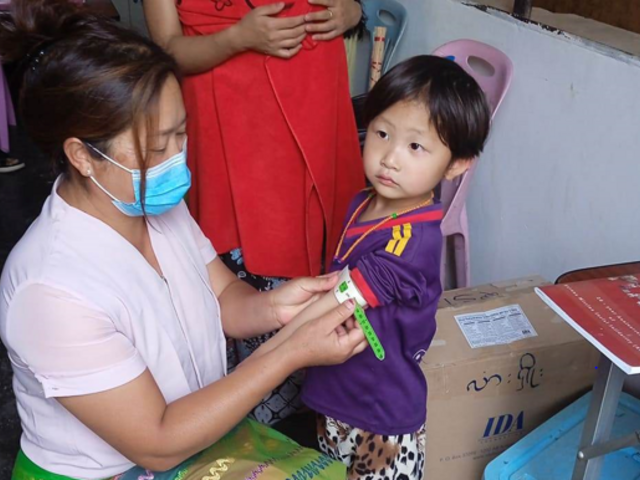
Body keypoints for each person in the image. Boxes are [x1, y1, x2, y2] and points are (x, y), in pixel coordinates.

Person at [0, 2, 367, 479]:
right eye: (158, 146)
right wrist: (290, 350)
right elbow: (157, 443)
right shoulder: (50, 290)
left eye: (182, 134)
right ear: (82, 155)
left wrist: (277, 308)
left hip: (197, 439)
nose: (178, 158)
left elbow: (223, 295)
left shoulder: (154, 205)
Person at [144, 0, 366, 424]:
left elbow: (351, 5)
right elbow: (168, 49)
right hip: (232, 114)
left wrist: (351, 13)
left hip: (316, 105)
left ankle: (326, 419)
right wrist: (238, 38)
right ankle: (260, 427)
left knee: (330, 254)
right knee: (247, 263)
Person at [285, 56, 492, 479]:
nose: (390, 158)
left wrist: (261, 359)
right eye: (382, 133)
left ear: (456, 163)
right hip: (334, 396)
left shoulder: (410, 243)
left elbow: (335, 303)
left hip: (378, 422)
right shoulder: (360, 203)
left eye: (415, 146)